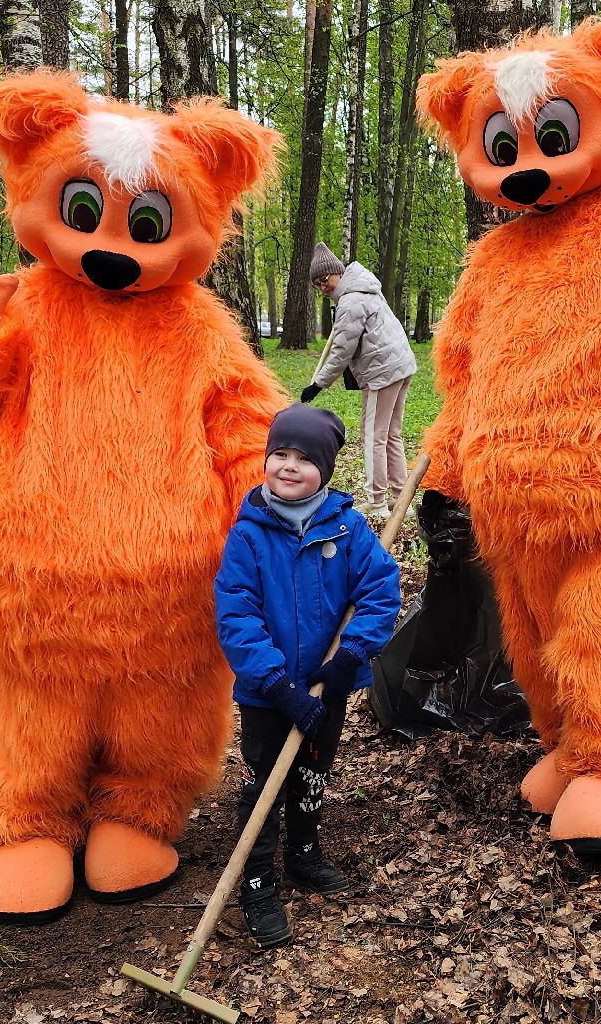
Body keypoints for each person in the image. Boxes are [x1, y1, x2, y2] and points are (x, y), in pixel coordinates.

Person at [214, 404, 403, 949]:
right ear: (266, 461)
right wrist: (276, 683)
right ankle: (257, 879)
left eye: (303, 458)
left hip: (326, 685)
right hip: (268, 692)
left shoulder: (348, 530)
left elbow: (380, 591)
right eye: (280, 455)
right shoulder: (248, 537)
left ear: (326, 468)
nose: (289, 466)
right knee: (265, 780)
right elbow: (237, 616)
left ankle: (303, 854)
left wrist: (350, 658)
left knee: (314, 770)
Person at [300, 243, 418, 514]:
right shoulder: (363, 287)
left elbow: (342, 351)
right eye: (317, 283)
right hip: (400, 365)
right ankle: (402, 499)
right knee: (390, 435)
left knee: (373, 436)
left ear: (337, 273)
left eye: (325, 279)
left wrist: (318, 383)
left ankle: (377, 502)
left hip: (383, 371)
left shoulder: (351, 300)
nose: (322, 287)